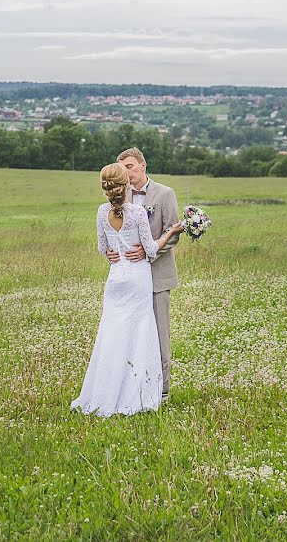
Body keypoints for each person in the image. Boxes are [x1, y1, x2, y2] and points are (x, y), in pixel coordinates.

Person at [71, 163, 183, 417]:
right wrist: (171, 232)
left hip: (115, 280)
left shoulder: (101, 212)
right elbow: (151, 250)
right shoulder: (136, 212)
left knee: (111, 335)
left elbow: (103, 248)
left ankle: (103, 393)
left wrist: (115, 251)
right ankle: (136, 394)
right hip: (137, 278)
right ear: (126, 185)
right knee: (139, 334)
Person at [107, 148, 181, 400]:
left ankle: (162, 391)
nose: (126, 172)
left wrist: (149, 252)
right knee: (131, 332)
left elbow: (174, 232)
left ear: (143, 166)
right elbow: (112, 232)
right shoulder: (118, 196)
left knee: (159, 332)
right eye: (122, 168)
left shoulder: (165, 193)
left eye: (129, 166)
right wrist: (110, 251)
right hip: (129, 278)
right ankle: (132, 386)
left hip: (157, 274)